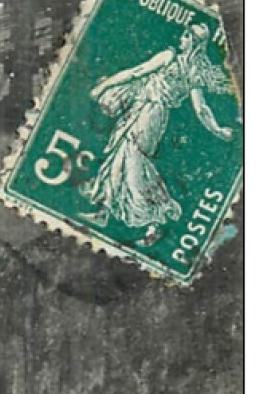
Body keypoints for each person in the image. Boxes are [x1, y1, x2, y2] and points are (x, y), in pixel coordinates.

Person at [80, 23, 236, 248]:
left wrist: (104, 85)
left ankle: (154, 222)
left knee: (133, 165)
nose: (181, 38)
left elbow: (136, 72)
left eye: (186, 35)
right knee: (119, 159)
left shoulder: (171, 57)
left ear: (193, 40)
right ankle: (105, 211)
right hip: (149, 113)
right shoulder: (193, 71)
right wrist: (218, 130)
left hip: (149, 114)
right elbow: (201, 109)